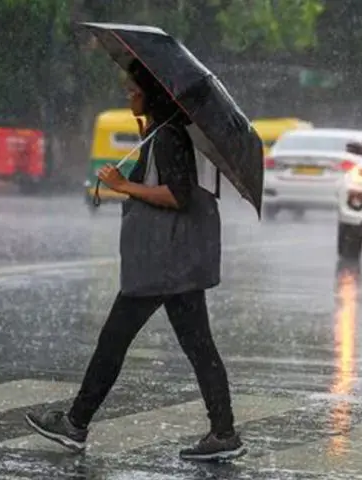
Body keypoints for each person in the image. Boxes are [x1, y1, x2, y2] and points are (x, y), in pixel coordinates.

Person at [24, 60, 244, 462]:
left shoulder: (168, 137)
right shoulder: (161, 134)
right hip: (173, 261)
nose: (128, 96)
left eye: (132, 91)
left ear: (152, 95)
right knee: (197, 347)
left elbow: (178, 195)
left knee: (115, 340)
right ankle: (224, 432)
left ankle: (76, 423)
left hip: (163, 261)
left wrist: (123, 185)